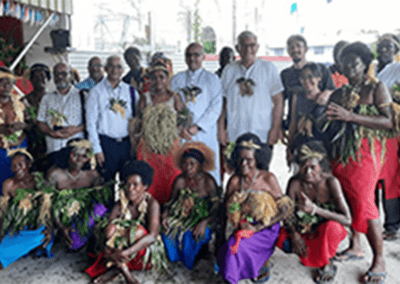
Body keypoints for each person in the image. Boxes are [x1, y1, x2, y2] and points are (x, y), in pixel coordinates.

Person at [325, 42, 392, 284]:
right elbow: (327, 118)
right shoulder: (340, 91)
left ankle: (380, 259)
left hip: (365, 154)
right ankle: (355, 246)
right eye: (345, 62)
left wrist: (351, 116)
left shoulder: (376, 87)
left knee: (365, 201)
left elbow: (388, 122)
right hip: (340, 155)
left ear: (365, 64)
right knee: (347, 197)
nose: (350, 66)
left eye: (355, 62)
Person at [217, 133, 293, 284]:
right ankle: (232, 278)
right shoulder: (235, 181)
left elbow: (284, 210)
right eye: (241, 159)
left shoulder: (267, 178)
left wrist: (257, 227)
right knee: (232, 248)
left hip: (266, 228)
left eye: (249, 160)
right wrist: (220, 237)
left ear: (257, 159)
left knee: (237, 247)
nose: (244, 163)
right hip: (243, 227)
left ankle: (254, 266)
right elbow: (225, 210)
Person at [276, 141, 351, 284]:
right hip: (304, 232)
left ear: (321, 167)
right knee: (277, 235)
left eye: (313, 167)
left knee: (332, 228)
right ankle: (314, 256)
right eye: (303, 166)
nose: (307, 171)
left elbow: (347, 220)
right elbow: (287, 214)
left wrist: (315, 209)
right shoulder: (295, 183)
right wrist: (294, 234)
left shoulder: (331, 182)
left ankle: (327, 261)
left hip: (325, 234)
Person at [85, 160, 166, 284]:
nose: (130, 189)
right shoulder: (120, 203)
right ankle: (124, 271)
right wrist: (110, 251)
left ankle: (119, 271)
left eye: (135, 185)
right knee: (110, 229)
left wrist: (125, 252)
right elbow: (108, 230)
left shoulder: (152, 204)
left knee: (137, 231)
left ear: (145, 186)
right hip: (117, 252)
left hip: (140, 253)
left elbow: (153, 236)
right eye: (127, 184)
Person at [218, 31, 284, 167]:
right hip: (236, 132)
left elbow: (278, 101)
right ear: (237, 48)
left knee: (262, 177)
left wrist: (275, 129)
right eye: (244, 45)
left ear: (257, 47)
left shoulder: (268, 68)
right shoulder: (229, 70)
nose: (248, 49)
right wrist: (221, 129)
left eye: (252, 45)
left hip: (262, 133)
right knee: (238, 175)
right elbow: (222, 102)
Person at [171, 42, 223, 186]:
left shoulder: (212, 79)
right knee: (183, 170)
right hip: (182, 134)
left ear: (203, 57)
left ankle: (211, 202)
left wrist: (197, 127)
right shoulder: (177, 79)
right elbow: (171, 105)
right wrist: (180, 128)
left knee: (208, 169)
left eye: (196, 55)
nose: (192, 58)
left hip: (205, 133)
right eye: (188, 55)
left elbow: (216, 107)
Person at [134, 59, 185, 204]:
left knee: (170, 178)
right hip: (148, 148)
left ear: (167, 78)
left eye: (161, 77)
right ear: (149, 80)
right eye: (154, 77)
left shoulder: (175, 97)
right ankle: (148, 210)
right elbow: (138, 121)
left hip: (170, 148)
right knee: (149, 180)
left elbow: (185, 117)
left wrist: (175, 132)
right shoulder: (145, 98)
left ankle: (168, 211)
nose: (158, 81)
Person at [161, 141, 218, 270]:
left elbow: (217, 208)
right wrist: (165, 215)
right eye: (185, 164)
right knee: (168, 232)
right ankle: (175, 260)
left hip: (202, 220)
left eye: (192, 164)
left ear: (201, 166)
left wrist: (204, 222)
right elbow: (170, 202)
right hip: (182, 217)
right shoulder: (180, 180)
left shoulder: (208, 182)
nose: (188, 167)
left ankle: (191, 260)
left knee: (189, 235)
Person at [47, 139, 107, 252]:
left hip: (83, 218)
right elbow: (48, 204)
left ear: (88, 159)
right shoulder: (55, 174)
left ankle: (89, 236)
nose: (79, 160)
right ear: (68, 155)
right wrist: (60, 226)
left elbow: (98, 202)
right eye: (75, 155)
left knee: (100, 208)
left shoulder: (92, 175)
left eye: (84, 156)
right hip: (61, 218)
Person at [86, 55, 139, 182]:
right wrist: (97, 149)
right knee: (105, 186)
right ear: (105, 69)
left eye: (119, 67)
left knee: (127, 184)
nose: (115, 70)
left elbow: (138, 118)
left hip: (127, 145)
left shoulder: (131, 91)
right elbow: (90, 123)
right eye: (111, 66)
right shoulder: (95, 92)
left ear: (122, 71)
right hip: (106, 145)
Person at [0, 149, 53, 269]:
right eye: (13, 165)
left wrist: (49, 228)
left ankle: (29, 247)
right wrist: (1, 232)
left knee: (42, 236)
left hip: (37, 226)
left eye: (20, 164)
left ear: (29, 164)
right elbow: (3, 211)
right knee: (2, 250)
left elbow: (47, 208)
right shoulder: (9, 184)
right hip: (17, 226)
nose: (16, 168)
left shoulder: (38, 180)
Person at [375, 34, 400, 241]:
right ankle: (372, 220)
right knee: (374, 176)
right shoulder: (371, 69)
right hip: (373, 129)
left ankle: (391, 225)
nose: (384, 50)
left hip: (392, 130)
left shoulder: (398, 69)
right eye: (381, 46)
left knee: (390, 178)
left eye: (389, 46)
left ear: (396, 50)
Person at [280, 35, 335, 130]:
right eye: (291, 47)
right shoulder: (285, 74)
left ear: (306, 49)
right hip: (295, 125)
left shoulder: (321, 68)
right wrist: (279, 127)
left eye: (298, 46)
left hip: (320, 124)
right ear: (288, 51)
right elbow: (280, 101)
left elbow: (332, 90)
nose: (295, 49)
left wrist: (327, 93)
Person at [36, 63, 85, 155]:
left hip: (76, 149)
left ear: (71, 75)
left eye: (64, 74)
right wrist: (51, 132)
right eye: (56, 74)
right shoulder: (47, 98)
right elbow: (40, 122)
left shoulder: (82, 96)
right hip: (54, 147)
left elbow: (92, 121)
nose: (60, 77)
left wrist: (76, 129)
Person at [287, 63, 329, 164]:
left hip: (321, 148)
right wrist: (288, 149)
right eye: (303, 78)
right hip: (301, 146)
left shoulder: (326, 98)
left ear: (319, 78)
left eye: (310, 77)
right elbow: (293, 124)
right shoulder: (297, 97)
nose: (306, 81)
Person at [0, 67, 28, 195]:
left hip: (18, 150)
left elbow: (32, 124)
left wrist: (22, 125)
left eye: (10, 82)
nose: (7, 86)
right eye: (3, 82)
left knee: (17, 190)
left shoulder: (20, 103)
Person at [23, 63, 51, 162]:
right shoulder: (24, 101)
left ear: (48, 78)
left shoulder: (54, 100)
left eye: (43, 76)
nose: (40, 79)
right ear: (31, 79)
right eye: (36, 77)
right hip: (30, 146)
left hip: (50, 145)